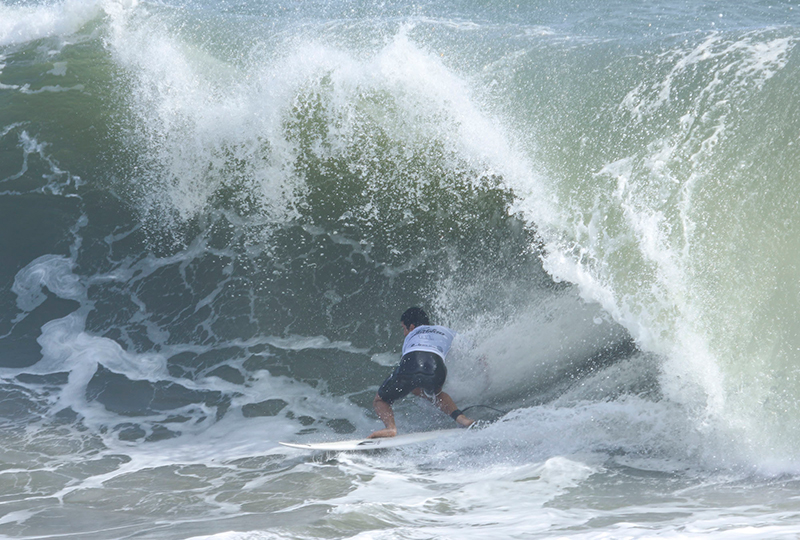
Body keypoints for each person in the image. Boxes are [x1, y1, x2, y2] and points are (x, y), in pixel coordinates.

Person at [368, 307, 474, 438]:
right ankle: (462, 419)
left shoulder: (411, 335)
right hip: (436, 366)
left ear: (411, 327)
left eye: (403, 328)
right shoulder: (447, 331)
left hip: (412, 361)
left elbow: (413, 366)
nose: (404, 333)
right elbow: (472, 350)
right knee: (436, 393)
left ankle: (390, 428)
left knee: (380, 400)